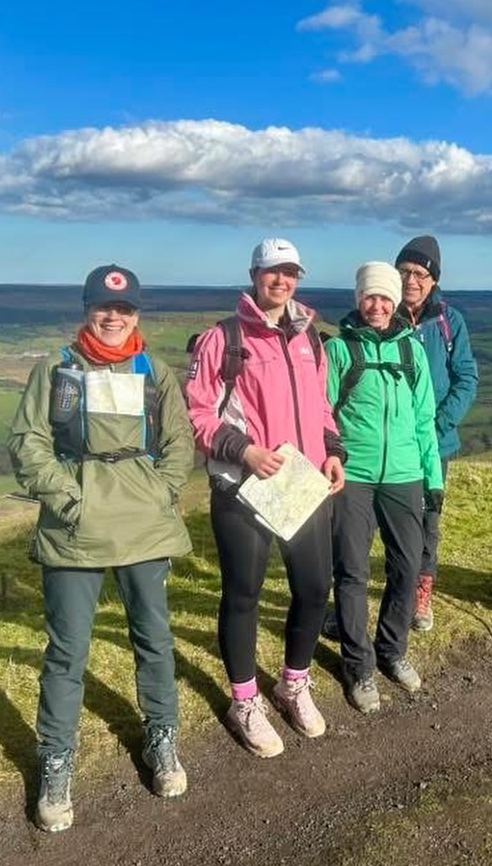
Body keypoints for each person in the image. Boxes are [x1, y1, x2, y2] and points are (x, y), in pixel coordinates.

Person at [8, 264, 194, 832]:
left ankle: (161, 739)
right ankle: (57, 762)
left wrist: (159, 492)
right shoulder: (57, 369)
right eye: (103, 306)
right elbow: (28, 441)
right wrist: (69, 501)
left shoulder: (154, 372)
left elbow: (178, 441)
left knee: (154, 639)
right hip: (75, 531)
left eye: (125, 308)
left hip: (144, 527)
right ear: (87, 308)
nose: (114, 317)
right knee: (68, 653)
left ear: (137, 314)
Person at [185, 238, 345, 755]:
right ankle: (244, 701)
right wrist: (245, 451)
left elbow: (321, 406)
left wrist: (333, 450)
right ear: (254, 275)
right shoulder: (224, 338)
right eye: (272, 271)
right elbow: (199, 414)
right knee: (243, 594)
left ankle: (293, 684)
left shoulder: (311, 339)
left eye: (291, 272)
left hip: (300, 483)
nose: (281, 280)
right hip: (243, 485)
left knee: (316, 587)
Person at [327, 262, 443, 713]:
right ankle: (359, 666)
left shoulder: (411, 352)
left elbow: (424, 420)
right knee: (353, 570)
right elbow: (324, 416)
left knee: (407, 567)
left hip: (404, 472)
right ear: (358, 299)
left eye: (385, 298)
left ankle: (392, 650)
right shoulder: (339, 350)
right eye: (369, 297)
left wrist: (432, 478)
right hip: (353, 475)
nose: (377, 306)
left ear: (396, 303)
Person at [394, 236, 478, 632]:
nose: (411, 280)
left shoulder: (449, 320)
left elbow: (466, 378)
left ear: (432, 280)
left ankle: (420, 594)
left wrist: (437, 425)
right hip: (384, 442)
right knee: (372, 523)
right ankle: (355, 596)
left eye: (419, 274)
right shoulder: (380, 313)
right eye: (405, 271)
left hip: (433, 444)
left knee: (428, 520)